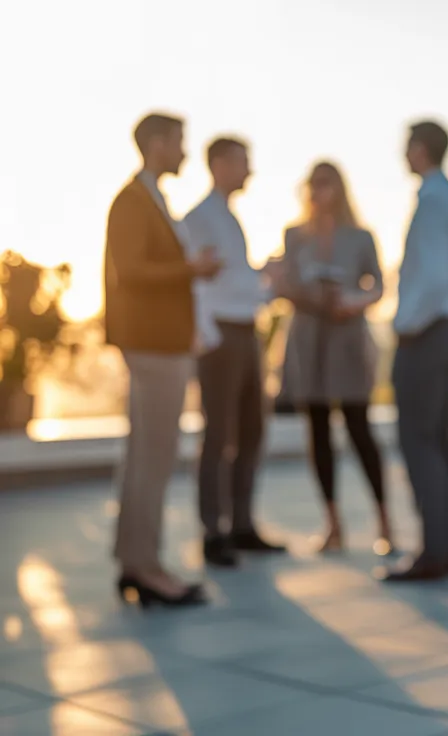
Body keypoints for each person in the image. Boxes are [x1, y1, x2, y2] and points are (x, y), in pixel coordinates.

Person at [104, 112, 221, 607]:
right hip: (154, 345)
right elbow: (129, 271)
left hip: (161, 343)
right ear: (156, 144)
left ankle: (134, 560)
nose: (185, 152)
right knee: (153, 456)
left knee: (144, 455)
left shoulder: (150, 199)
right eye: (179, 142)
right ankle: (147, 568)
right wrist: (189, 268)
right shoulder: (133, 201)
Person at [272, 161, 391, 554]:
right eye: (315, 185)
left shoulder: (360, 237)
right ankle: (333, 523)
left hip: (347, 338)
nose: (320, 192)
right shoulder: (294, 236)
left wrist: (354, 302)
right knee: (317, 431)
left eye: (327, 184)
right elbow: (283, 283)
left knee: (360, 428)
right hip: (308, 339)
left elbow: (378, 285)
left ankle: (385, 520)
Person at [182, 137, 285, 568]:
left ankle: (241, 524)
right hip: (221, 337)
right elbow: (196, 284)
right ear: (220, 164)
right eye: (244, 162)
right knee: (219, 434)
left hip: (245, 333)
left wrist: (267, 281)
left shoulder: (227, 218)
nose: (250, 171)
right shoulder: (200, 219)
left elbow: (236, 283)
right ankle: (213, 531)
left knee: (251, 431)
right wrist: (206, 335)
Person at [384, 121, 448, 583]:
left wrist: (405, 324)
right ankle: (444, 548)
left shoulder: (434, 201)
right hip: (447, 329)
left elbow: (434, 277)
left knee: (420, 442)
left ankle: (434, 552)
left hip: (428, 333)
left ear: (420, 149)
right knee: (436, 441)